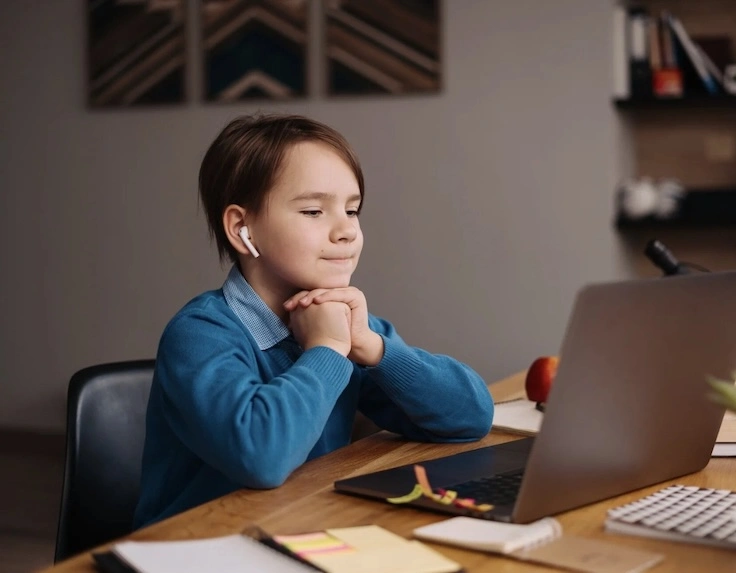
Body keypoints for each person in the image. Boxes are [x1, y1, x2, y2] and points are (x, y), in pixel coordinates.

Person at [133, 114, 494, 528]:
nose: (346, 231)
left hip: (303, 526)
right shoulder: (200, 333)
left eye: (353, 210)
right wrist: (325, 350)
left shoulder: (345, 324)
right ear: (241, 228)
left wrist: (373, 348)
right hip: (198, 548)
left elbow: (472, 417)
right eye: (312, 211)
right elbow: (261, 458)